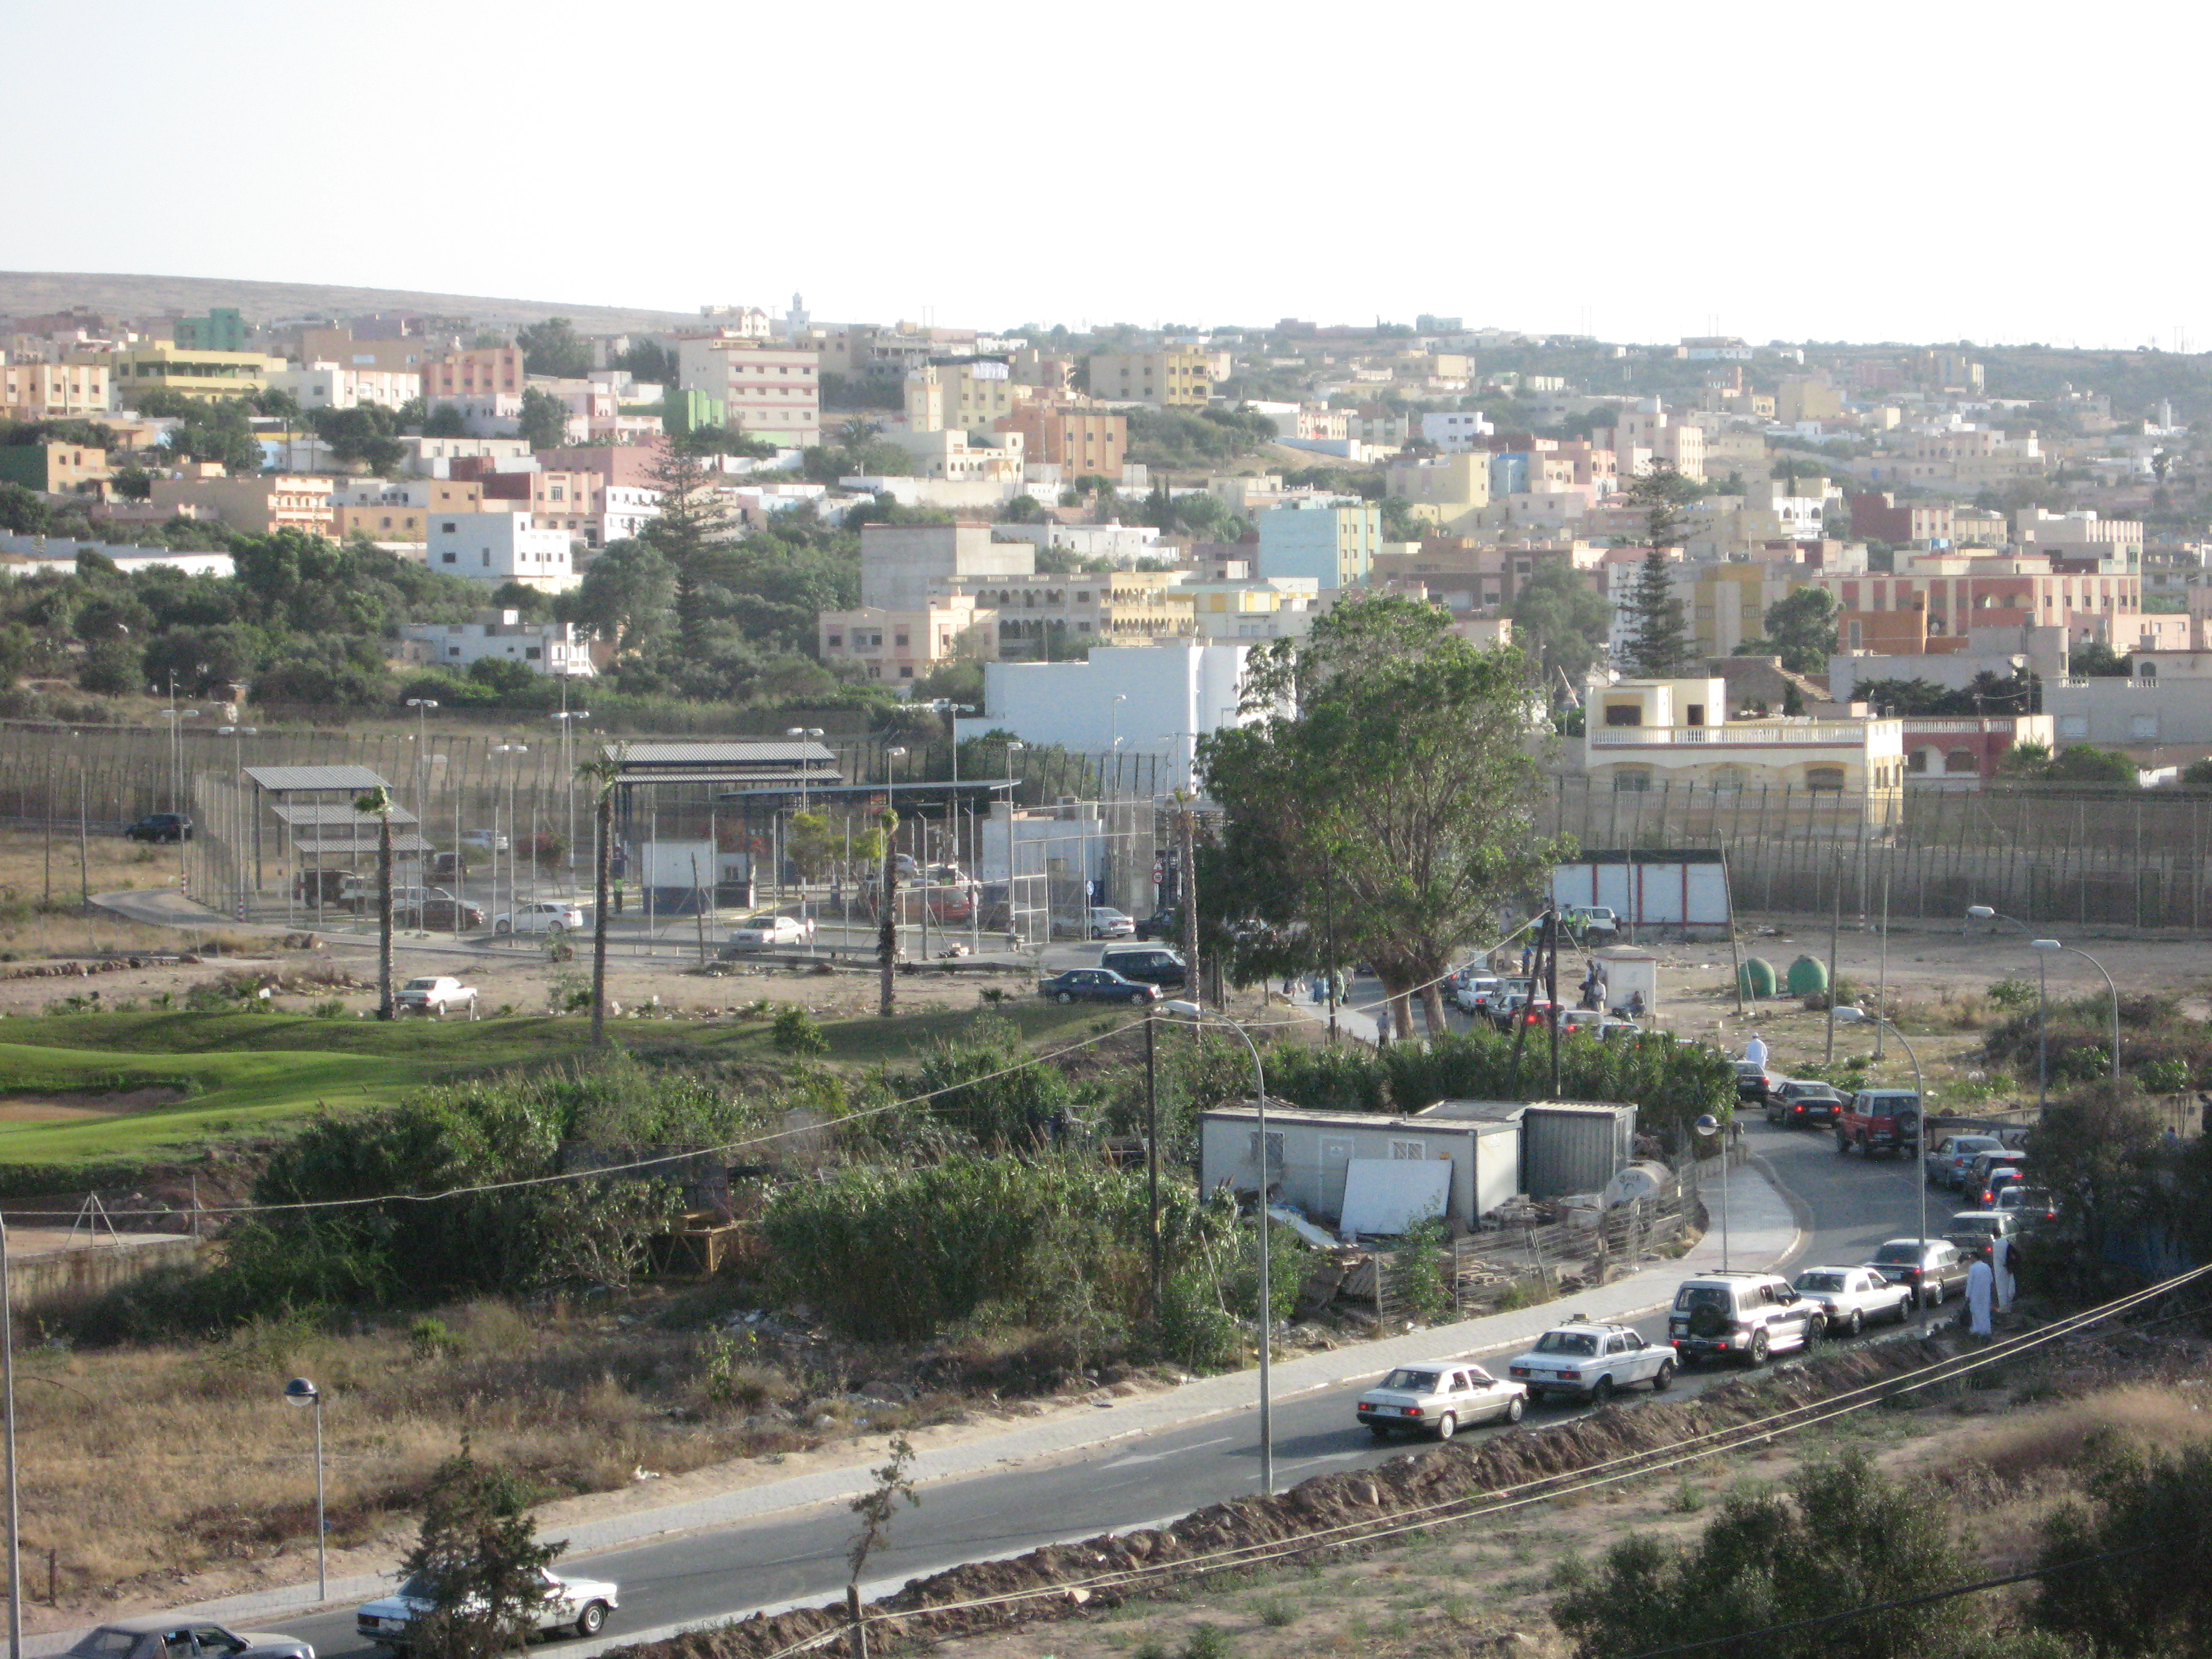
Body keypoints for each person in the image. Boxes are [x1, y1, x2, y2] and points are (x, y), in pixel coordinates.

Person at [1965, 1255, 1994, 1338]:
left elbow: (1970, 1283)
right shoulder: (1986, 1267)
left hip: (1975, 1293)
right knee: (1985, 1310)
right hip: (1986, 1293)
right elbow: (1991, 1280)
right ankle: (1986, 1329)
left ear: (1974, 1258)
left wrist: (1967, 1295)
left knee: (1976, 1311)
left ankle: (1977, 1329)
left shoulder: (1973, 1268)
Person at [1991, 1232, 2014, 1312]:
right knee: (2009, 1287)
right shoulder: (2006, 1241)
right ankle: (2009, 1306)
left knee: (2002, 1288)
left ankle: (2003, 1307)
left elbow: (1999, 1257)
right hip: (2009, 1267)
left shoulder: (1996, 1244)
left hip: (2000, 1269)